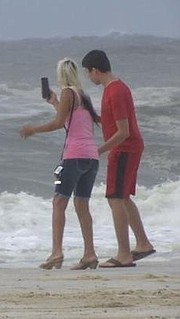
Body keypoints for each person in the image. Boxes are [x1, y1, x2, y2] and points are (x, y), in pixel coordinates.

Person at [20, 58, 101, 270]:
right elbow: (71, 120)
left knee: (58, 202)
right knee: (82, 205)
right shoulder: (83, 95)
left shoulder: (68, 93)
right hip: (91, 158)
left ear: (60, 75)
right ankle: (90, 254)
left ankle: (56, 253)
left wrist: (33, 130)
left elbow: (58, 123)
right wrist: (55, 103)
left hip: (73, 157)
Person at [81, 50, 155, 268]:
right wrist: (91, 115)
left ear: (95, 69)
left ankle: (123, 254)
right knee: (122, 198)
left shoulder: (115, 91)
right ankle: (143, 244)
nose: (88, 77)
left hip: (124, 148)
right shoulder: (114, 88)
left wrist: (99, 150)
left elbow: (123, 131)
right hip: (127, 147)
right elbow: (114, 122)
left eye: (88, 73)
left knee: (115, 198)